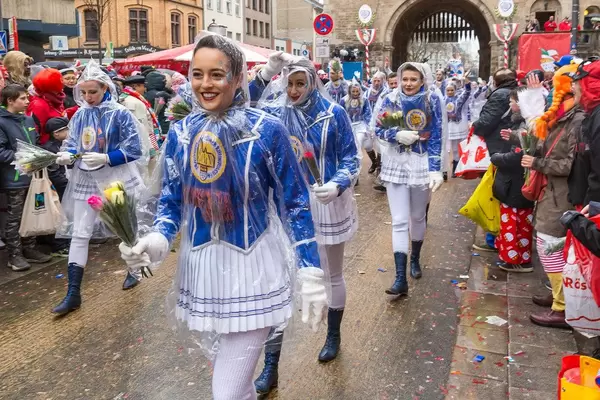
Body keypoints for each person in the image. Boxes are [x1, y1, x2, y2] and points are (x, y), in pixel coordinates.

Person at [118, 35, 328, 400]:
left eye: (217, 74)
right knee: (237, 387)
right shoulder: (182, 132)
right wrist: (156, 240)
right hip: (203, 271)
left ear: (237, 77)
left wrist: (311, 270)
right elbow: (170, 201)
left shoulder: (267, 129)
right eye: (197, 74)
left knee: (227, 393)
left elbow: (294, 202)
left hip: (254, 272)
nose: (205, 84)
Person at [250, 55, 359, 394]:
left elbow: (351, 157)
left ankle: (333, 333)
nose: (294, 90)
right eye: (289, 83)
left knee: (331, 274)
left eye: (300, 83)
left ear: (313, 82)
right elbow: (245, 105)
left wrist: (338, 182)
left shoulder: (334, 113)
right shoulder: (276, 112)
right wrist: (264, 73)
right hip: (289, 206)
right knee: (279, 281)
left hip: (327, 202)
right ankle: (271, 364)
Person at [51, 60, 148, 316]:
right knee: (80, 233)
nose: (87, 97)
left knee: (124, 226)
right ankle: (73, 293)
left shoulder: (120, 113)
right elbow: (73, 142)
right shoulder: (80, 114)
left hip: (115, 178)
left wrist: (108, 158)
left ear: (105, 88)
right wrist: (68, 155)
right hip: (85, 180)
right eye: (83, 92)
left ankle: (134, 269)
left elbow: (135, 149)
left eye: (92, 91)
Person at [520, 62, 583, 329]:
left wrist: (537, 164)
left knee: (549, 246)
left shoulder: (577, 120)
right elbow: (547, 145)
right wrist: (525, 140)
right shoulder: (564, 116)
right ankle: (556, 294)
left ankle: (562, 306)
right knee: (549, 244)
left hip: (561, 196)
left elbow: (570, 164)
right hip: (552, 193)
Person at [375, 62, 444, 295]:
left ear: (422, 80)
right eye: (405, 79)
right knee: (400, 220)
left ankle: (415, 257)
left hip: (421, 163)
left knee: (417, 216)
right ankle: (399, 278)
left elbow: (436, 136)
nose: (408, 84)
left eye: (413, 79)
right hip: (396, 162)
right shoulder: (389, 98)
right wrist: (396, 134)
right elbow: (378, 128)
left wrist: (436, 168)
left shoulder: (432, 100)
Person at [0, 84, 53, 271]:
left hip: (33, 178)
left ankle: (30, 248)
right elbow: (1, 152)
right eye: (22, 98)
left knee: (32, 212)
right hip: (14, 179)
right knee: (15, 217)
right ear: (10, 100)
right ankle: (14, 254)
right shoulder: (2, 122)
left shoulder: (29, 120)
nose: (27, 101)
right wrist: (25, 159)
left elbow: (37, 143)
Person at [491, 86, 535, 273]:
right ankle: (516, 256)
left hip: (517, 184)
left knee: (516, 222)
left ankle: (515, 259)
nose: (510, 104)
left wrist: (496, 158)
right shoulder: (521, 123)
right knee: (518, 222)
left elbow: (518, 155)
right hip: (516, 183)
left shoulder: (526, 125)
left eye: (512, 101)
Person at [121, 75, 159, 158]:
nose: (145, 89)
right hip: (141, 146)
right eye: (143, 86)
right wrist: (150, 148)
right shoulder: (135, 102)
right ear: (135, 86)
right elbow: (142, 127)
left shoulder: (125, 97)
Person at [26, 68, 66, 146]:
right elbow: (34, 131)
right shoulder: (39, 105)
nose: (61, 89)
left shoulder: (56, 100)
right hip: (47, 148)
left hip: (59, 144)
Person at [340, 81, 373, 172]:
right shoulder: (344, 100)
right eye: (353, 91)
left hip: (360, 125)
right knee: (350, 147)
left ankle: (371, 163)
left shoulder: (364, 100)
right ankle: (354, 171)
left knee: (358, 145)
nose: (355, 93)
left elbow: (368, 114)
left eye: (357, 91)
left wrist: (369, 127)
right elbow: (341, 114)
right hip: (348, 127)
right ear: (349, 91)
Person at [444, 79, 472, 177]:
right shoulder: (443, 100)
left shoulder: (459, 99)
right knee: (454, 148)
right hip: (449, 128)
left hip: (459, 127)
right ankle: (455, 167)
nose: (450, 92)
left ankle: (463, 167)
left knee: (462, 146)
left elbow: (467, 93)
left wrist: (467, 83)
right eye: (448, 90)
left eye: (452, 90)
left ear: (455, 90)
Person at [144, 71, 173, 143]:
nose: (165, 83)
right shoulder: (163, 94)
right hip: (163, 126)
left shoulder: (144, 95)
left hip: (150, 127)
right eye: (164, 81)